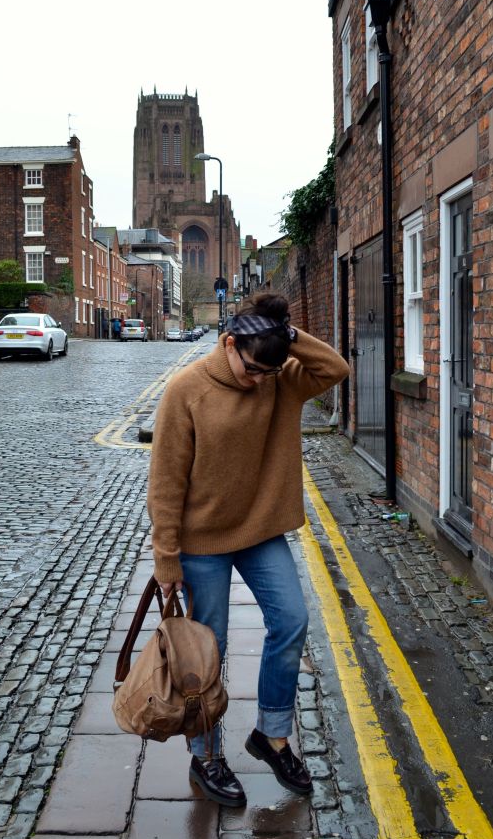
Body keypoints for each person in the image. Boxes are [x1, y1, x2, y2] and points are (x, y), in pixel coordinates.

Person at [147, 293, 349, 807]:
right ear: (229, 343)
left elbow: (335, 368)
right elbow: (166, 480)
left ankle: (271, 736)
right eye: (254, 368)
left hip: (260, 532)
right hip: (201, 542)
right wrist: (166, 556)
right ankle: (206, 755)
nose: (260, 379)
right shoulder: (186, 389)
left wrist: (286, 335)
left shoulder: (279, 378)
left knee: (293, 619)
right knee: (205, 651)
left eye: (269, 370)